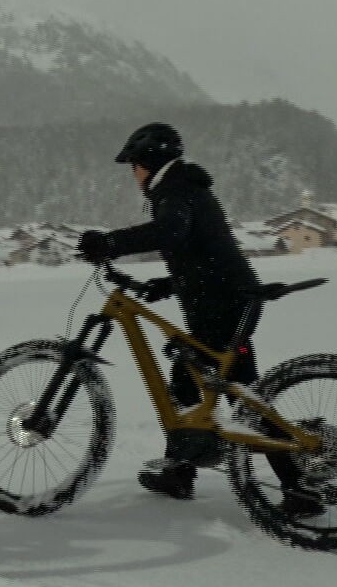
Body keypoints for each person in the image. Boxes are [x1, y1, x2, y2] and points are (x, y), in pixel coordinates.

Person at [76, 122, 320, 512]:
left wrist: (110, 243)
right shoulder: (183, 186)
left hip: (222, 303)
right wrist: (169, 283)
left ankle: (298, 487)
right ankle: (180, 468)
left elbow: (172, 232)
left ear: (150, 161)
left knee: (243, 396)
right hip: (221, 297)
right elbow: (203, 251)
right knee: (191, 379)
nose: (133, 175)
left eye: (134, 166)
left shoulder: (175, 188)